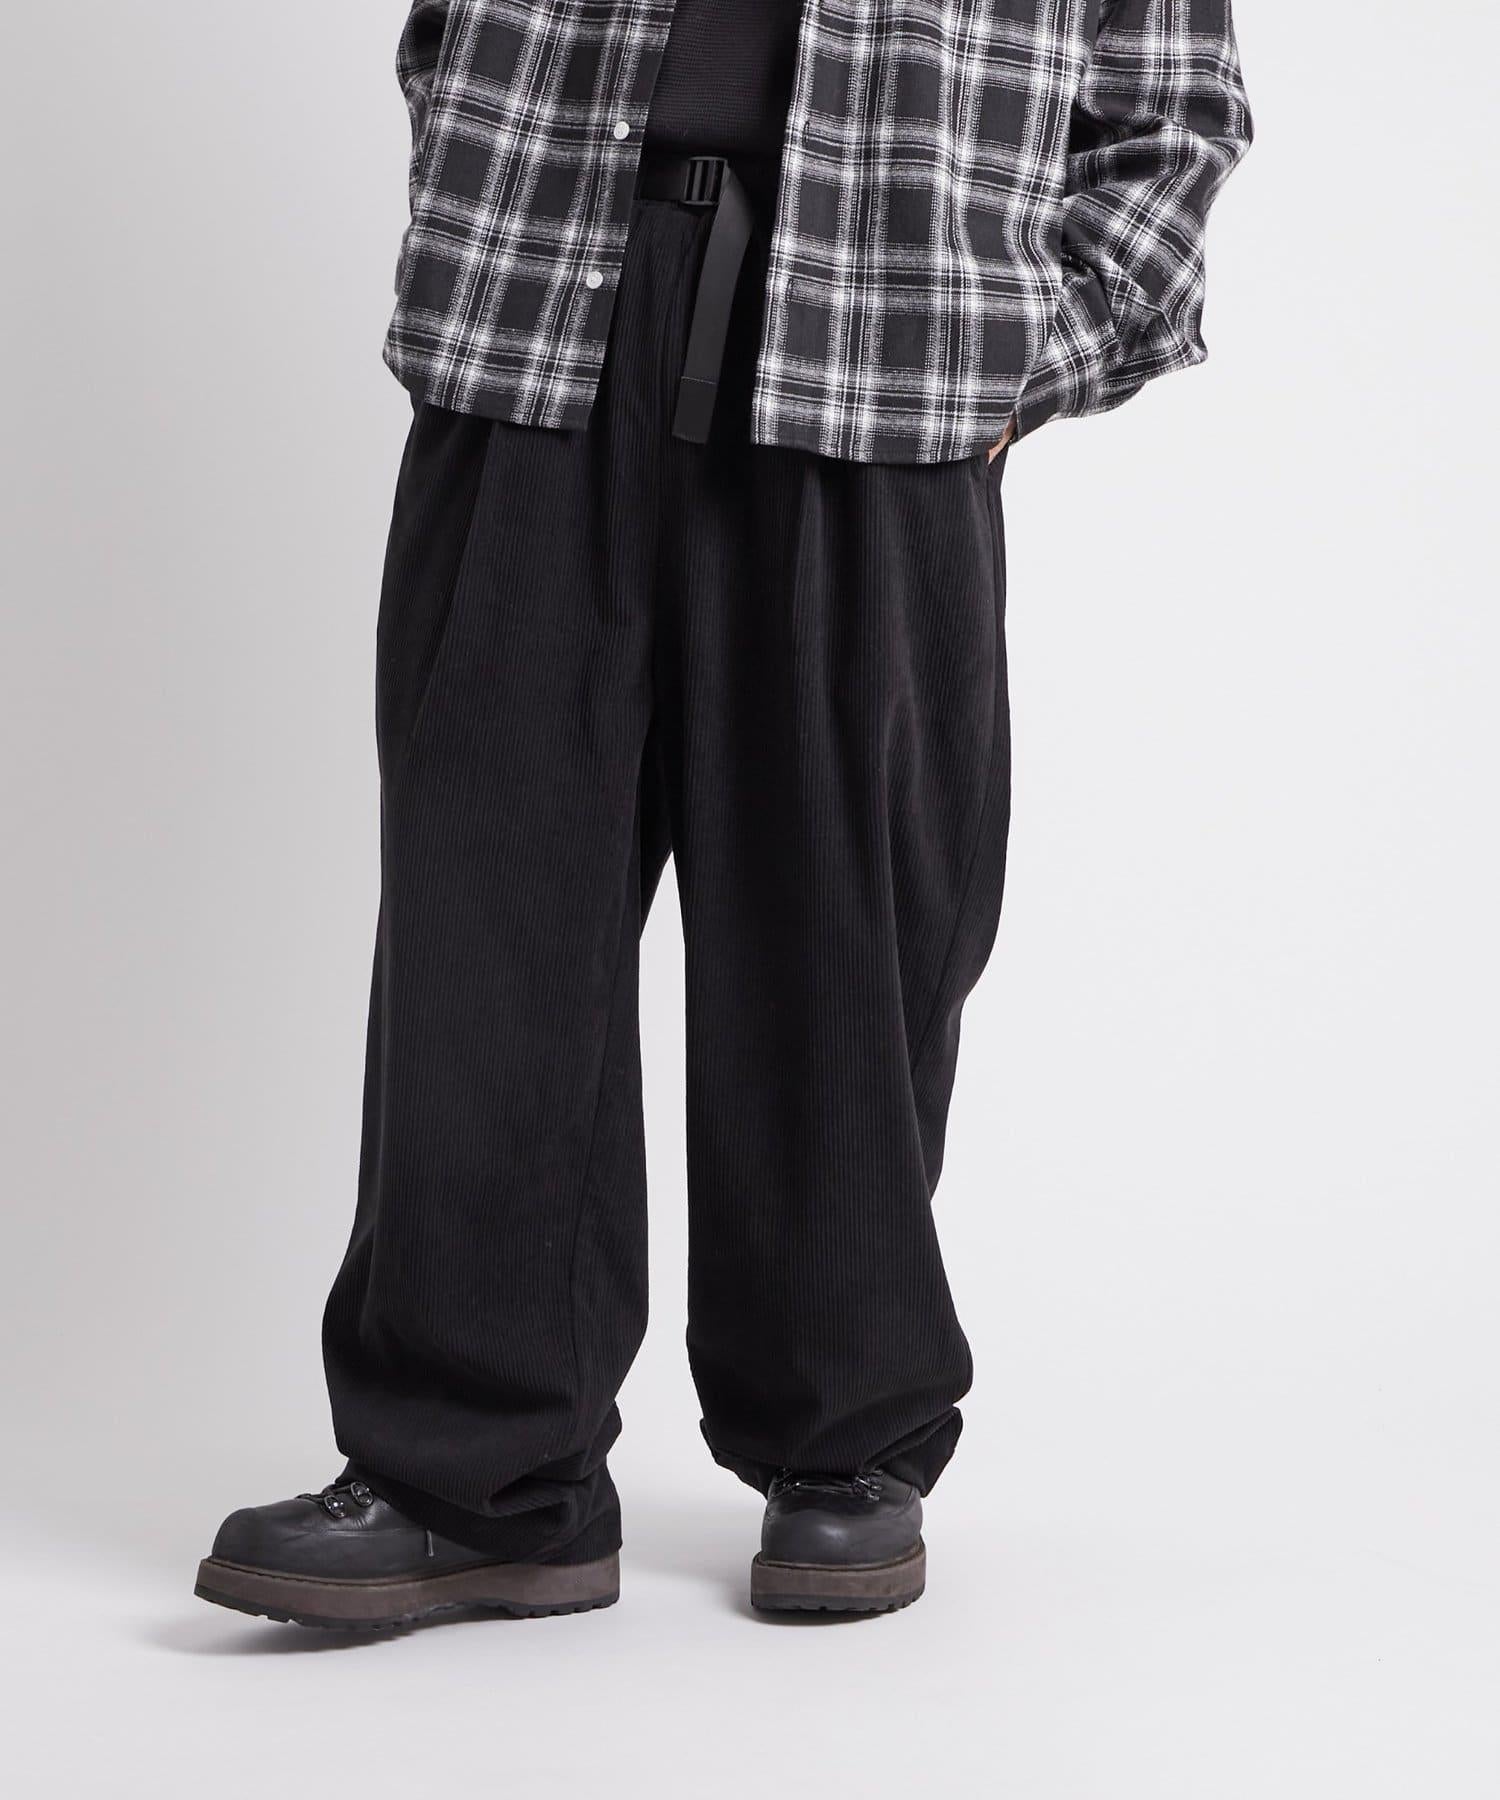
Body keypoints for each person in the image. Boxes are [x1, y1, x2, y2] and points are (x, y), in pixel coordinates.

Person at [196, 0, 1251, 1628]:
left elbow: (1169, 106)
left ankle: (843, 1442)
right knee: (486, 907)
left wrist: (1009, 346)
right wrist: (478, 192)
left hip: (888, 328)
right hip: (548, 298)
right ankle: (480, 1476)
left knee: (849, 913)